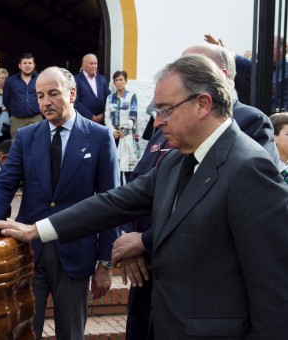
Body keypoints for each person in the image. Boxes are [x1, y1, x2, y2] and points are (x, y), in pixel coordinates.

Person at [0, 54, 288, 339]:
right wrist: (36, 229)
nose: (156, 122)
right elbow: (113, 203)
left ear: (203, 104)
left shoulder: (249, 168)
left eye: (165, 110)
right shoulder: (175, 162)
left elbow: (273, 294)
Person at [117, 42, 282, 340]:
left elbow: (249, 228)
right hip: (151, 294)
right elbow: (136, 190)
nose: (160, 118)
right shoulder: (170, 129)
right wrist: (128, 241)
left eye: (190, 66)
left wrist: (144, 241)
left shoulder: (250, 130)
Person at [0, 66, 120, 340]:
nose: (45, 102)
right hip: (29, 252)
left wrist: (105, 263)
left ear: (72, 93)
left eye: (53, 94)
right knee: (22, 331)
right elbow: (4, 184)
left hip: (75, 251)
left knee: (71, 333)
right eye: (40, 95)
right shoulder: (26, 137)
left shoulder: (100, 137)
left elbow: (111, 203)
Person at [104, 70, 139, 183]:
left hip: (127, 136)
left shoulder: (131, 96)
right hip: (115, 136)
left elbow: (133, 116)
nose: (119, 82)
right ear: (114, 83)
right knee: (116, 166)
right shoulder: (110, 98)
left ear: (126, 81)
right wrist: (113, 131)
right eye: (116, 80)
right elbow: (107, 117)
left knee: (128, 167)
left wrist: (124, 130)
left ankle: (129, 193)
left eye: (121, 80)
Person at [3, 52, 41, 138]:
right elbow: (6, 100)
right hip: (17, 120)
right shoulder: (10, 81)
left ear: (34, 65)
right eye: (25, 63)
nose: (27, 65)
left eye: (30, 63)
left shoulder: (40, 80)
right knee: (17, 146)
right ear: (19, 65)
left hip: (36, 118)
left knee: (37, 145)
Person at [74, 53, 110, 124]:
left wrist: (103, 114)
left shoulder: (102, 79)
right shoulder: (76, 79)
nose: (94, 66)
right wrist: (90, 116)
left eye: (95, 63)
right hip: (84, 121)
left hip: (101, 122)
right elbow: (75, 101)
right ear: (83, 65)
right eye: (91, 64)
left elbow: (108, 99)